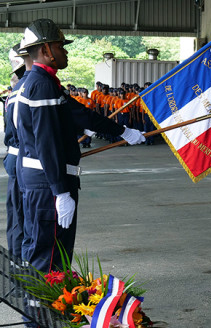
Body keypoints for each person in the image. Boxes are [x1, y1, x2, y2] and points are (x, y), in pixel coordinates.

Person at [14, 19, 147, 273]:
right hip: (47, 184)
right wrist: (60, 191)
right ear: (45, 50)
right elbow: (46, 143)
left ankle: (46, 311)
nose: (65, 51)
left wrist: (124, 131)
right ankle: (40, 311)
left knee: (51, 254)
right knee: (48, 257)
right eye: (60, 46)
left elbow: (81, 115)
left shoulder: (45, 82)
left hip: (42, 182)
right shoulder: (41, 85)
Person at [4, 43, 31, 262]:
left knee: (16, 213)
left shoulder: (16, 90)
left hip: (14, 157)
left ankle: (17, 259)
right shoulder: (26, 87)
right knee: (22, 215)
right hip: (23, 157)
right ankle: (20, 261)